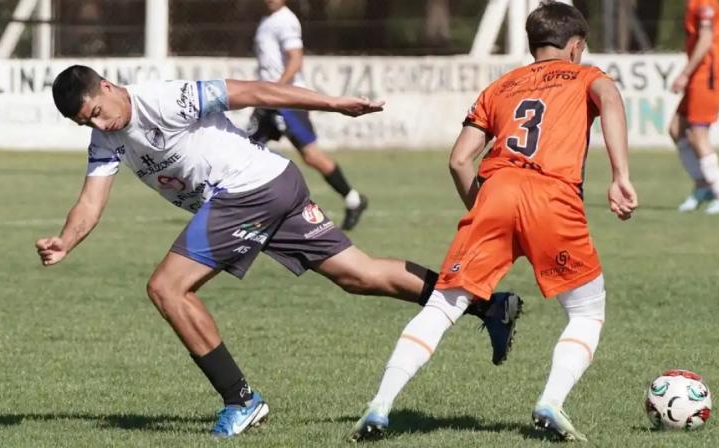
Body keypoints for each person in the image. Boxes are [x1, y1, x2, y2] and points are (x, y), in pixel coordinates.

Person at [36, 65, 521, 438]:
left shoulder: (164, 99)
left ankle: (241, 400)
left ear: (105, 85)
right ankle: (488, 304)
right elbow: (90, 202)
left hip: (247, 191)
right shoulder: (107, 139)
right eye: (86, 123)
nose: (99, 123)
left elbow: (258, 91)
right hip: (273, 184)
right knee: (359, 274)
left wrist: (332, 104)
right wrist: (66, 240)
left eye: (96, 112)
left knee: (167, 287)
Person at [349, 1, 638, 442]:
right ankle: (551, 401)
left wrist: (483, 210)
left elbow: (459, 159)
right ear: (576, 47)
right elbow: (611, 99)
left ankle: (380, 405)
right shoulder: (586, 76)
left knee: (444, 306)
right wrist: (620, 175)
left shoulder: (501, 85)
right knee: (585, 311)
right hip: (552, 196)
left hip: (497, 189)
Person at [250, 0, 367, 230]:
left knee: (312, 156)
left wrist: (277, 90)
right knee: (247, 148)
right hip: (268, 98)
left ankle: (353, 199)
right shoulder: (267, 20)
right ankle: (240, 208)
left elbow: (295, 59)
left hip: (287, 99)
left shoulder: (285, 20)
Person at [669, 0, 719, 214]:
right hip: (698, 76)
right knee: (676, 128)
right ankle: (703, 185)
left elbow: (706, 40)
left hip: (707, 77)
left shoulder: (705, 2)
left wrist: (685, 73)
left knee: (699, 135)